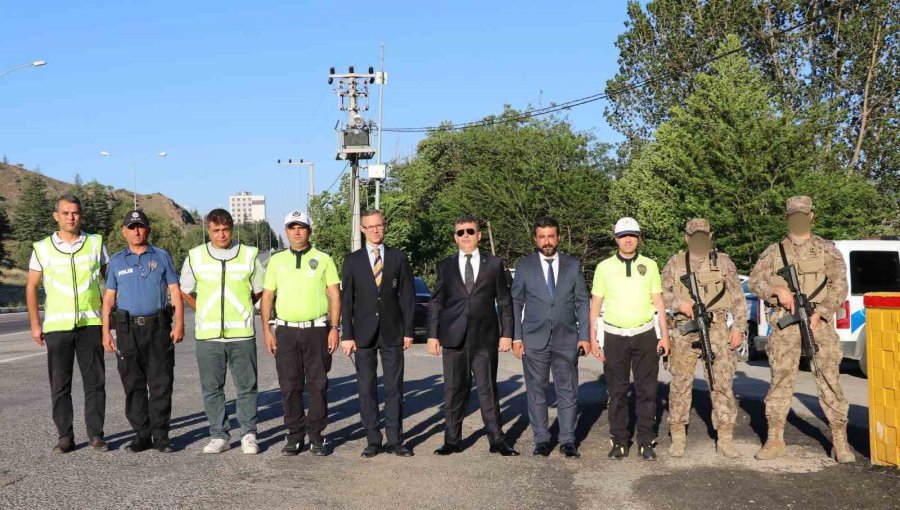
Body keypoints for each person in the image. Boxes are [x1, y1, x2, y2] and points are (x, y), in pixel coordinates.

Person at [749, 196, 855, 463]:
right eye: (793, 214)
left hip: (818, 324)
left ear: (811, 216)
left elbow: (840, 285)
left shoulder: (826, 250)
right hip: (785, 326)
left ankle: (840, 443)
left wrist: (821, 312)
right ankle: (775, 440)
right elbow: (754, 282)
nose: (798, 218)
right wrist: (776, 290)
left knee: (829, 381)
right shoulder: (774, 252)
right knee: (780, 383)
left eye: (803, 214)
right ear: (787, 218)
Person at [427, 214, 518, 456]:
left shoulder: (495, 264)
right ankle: (452, 440)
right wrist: (432, 335)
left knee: (488, 389)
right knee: (454, 390)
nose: (465, 236)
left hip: (485, 338)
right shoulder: (445, 266)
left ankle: (497, 440)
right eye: (460, 232)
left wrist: (506, 333)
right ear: (455, 238)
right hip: (453, 338)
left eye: (470, 231)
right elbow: (436, 302)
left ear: (479, 235)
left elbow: (505, 301)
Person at [26, 194, 110, 454]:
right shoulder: (42, 248)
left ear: (80, 215)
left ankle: (96, 435)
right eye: (65, 213)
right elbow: (31, 286)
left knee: (95, 383)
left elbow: (111, 283)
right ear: (56, 216)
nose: (71, 217)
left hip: (90, 324)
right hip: (57, 328)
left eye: (75, 213)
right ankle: (65, 437)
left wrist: (109, 319)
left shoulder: (96, 243)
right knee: (60, 385)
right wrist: (35, 323)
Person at [180, 209, 264, 455]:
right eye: (216, 230)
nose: (221, 235)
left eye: (225, 229)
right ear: (208, 230)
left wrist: (245, 307)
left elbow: (259, 289)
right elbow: (186, 290)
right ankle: (219, 435)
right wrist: (202, 309)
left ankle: (248, 433)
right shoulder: (195, 256)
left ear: (232, 229)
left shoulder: (249, 255)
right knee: (212, 388)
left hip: (242, 334)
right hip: (208, 337)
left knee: (247, 387)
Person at [661, 218, 747, 458]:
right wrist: (680, 303)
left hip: (717, 328)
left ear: (710, 235)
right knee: (680, 384)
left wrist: (739, 327)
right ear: (687, 238)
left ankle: (726, 438)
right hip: (684, 330)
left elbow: (737, 296)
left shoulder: (722, 262)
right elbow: (659, 294)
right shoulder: (676, 263)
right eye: (694, 235)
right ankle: (678, 436)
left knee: (721, 383)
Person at [101, 210, 184, 453]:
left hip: (158, 327)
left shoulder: (162, 257)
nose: (136, 231)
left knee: (161, 383)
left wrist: (179, 323)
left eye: (140, 226)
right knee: (133, 383)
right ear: (123, 231)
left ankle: (160, 435)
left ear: (148, 229)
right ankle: (142, 434)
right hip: (127, 330)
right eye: (131, 227)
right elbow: (108, 300)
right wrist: (106, 331)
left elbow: (175, 292)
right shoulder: (116, 262)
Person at [260, 210, 341, 456]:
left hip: (317, 329)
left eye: (301, 227)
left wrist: (334, 328)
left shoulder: (323, 259)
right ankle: (294, 435)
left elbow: (334, 294)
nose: (296, 232)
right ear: (285, 232)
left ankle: (317, 435)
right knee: (289, 385)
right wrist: (267, 330)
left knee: (318, 385)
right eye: (291, 227)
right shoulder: (276, 261)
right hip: (285, 331)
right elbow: (267, 296)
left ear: (309, 230)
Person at [589, 217, 670, 461]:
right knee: (617, 392)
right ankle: (619, 440)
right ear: (616, 239)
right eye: (623, 235)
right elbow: (595, 305)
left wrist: (664, 336)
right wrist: (593, 337)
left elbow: (659, 303)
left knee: (647, 391)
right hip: (614, 336)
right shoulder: (603, 267)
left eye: (632, 235)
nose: (628, 239)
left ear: (638, 238)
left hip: (645, 334)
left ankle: (646, 441)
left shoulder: (651, 265)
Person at [511, 216, 591, 458]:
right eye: (542, 237)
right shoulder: (524, 266)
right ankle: (542, 439)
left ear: (558, 238)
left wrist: (585, 336)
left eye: (551, 236)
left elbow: (582, 302)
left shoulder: (573, 265)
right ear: (536, 238)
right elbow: (516, 301)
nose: (547, 241)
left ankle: (568, 440)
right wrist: (516, 336)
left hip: (567, 338)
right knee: (537, 391)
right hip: (533, 339)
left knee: (568, 391)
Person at [340, 209, 416, 458]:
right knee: (366, 388)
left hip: (393, 332)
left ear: (385, 227)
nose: (375, 230)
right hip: (363, 334)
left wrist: (408, 330)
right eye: (369, 226)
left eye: (379, 226)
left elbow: (407, 296)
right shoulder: (352, 260)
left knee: (394, 387)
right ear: (362, 229)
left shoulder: (398, 258)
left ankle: (395, 440)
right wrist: (347, 335)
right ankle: (373, 439)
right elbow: (347, 300)